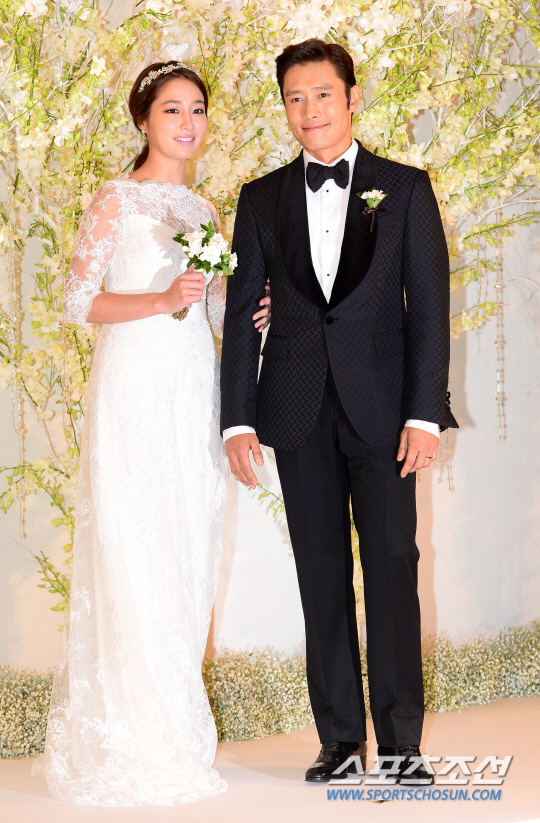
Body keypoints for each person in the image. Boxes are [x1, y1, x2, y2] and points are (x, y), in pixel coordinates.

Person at [32, 61, 271, 806]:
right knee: (135, 547)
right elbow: (79, 302)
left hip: (191, 391)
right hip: (133, 389)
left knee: (187, 543)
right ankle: (136, 739)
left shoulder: (203, 208)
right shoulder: (116, 199)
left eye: (197, 109)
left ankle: (175, 728)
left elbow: (215, 309)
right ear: (144, 120)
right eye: (172, 110)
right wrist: (161, 298)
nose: (188, 123)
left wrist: (251, 313)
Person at [221, 39, 458, 784]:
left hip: (386, 413)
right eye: (294, 98)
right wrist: (236, 418)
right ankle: (340, 742)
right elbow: (241, 312)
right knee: (320, 576)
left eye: (322, 94)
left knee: (392, 571)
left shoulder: (405, 188)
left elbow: (430, 310)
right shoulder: (260, 198)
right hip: (295, 411)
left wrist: (425, 413)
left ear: (352, 97)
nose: (309, 110)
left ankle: (402, 747)